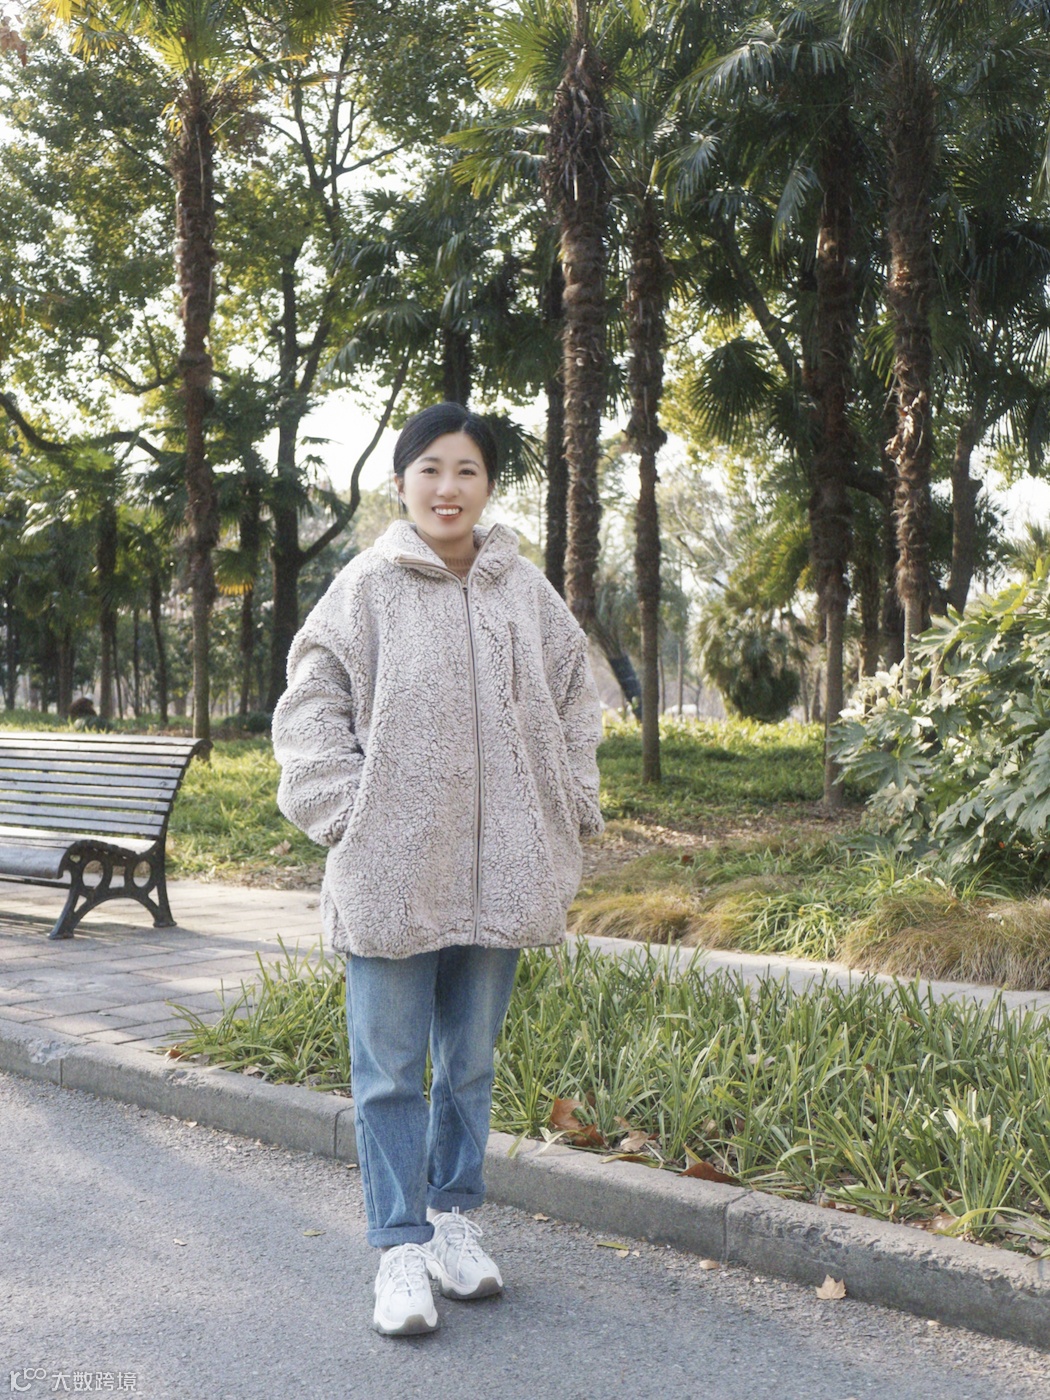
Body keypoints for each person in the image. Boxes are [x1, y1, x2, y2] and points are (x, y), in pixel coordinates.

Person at [272, 402, 604, 1336]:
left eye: (466, 470)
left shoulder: (523, 590)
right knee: (387, 1070)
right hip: (392, 870)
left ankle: (454, 1219)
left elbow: (578, 698)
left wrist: (572, 800)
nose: (447, 488)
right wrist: (347, 813)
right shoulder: (366, 587)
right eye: (430, 469)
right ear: (402, 481)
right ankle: (399, 1247)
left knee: (469, 1064)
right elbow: (311, 701)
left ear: (488, 485)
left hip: (505, 869)